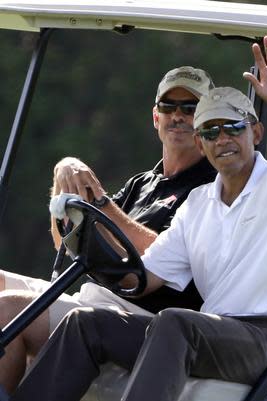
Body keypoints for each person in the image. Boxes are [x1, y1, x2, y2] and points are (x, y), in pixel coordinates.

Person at [11, 35, 267, 401]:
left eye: (233, 126)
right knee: (84, 324)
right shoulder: (197, 206)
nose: (223, 139)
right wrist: (86, 242)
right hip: (217, 337)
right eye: (211, 131)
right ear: (200, 144)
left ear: (256, 132)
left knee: (175, 323)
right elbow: (140, 278)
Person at [0, 66, 216, 394]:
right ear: (156, 118)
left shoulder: (210, 189)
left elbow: (161, 257)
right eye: (169, 108)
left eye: (191, 108)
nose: (178, 116)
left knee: (6, 309)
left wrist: (99, 200)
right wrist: (64, 184)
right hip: (96, 297)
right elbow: (68, 244)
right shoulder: (142, 183)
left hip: (138, 320)